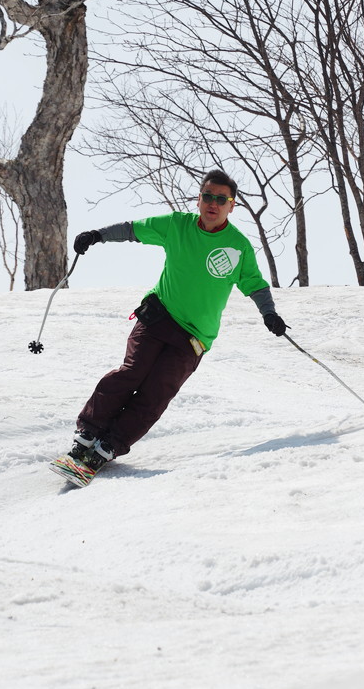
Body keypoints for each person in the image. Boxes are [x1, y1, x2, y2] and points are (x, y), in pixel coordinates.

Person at [54, 170, 287, 478]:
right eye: (207, 196)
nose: (212, 203)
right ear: (199, 199)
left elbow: (255, 285)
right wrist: (97, 235)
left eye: (221, 199)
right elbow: (133, 229)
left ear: (232, 205)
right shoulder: (177, 225)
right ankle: (86, 436)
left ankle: (106, 447)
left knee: (156, 393)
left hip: (194, 337)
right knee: (132, 373)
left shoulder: (238, 246)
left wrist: (268, 313)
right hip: (159, 316)